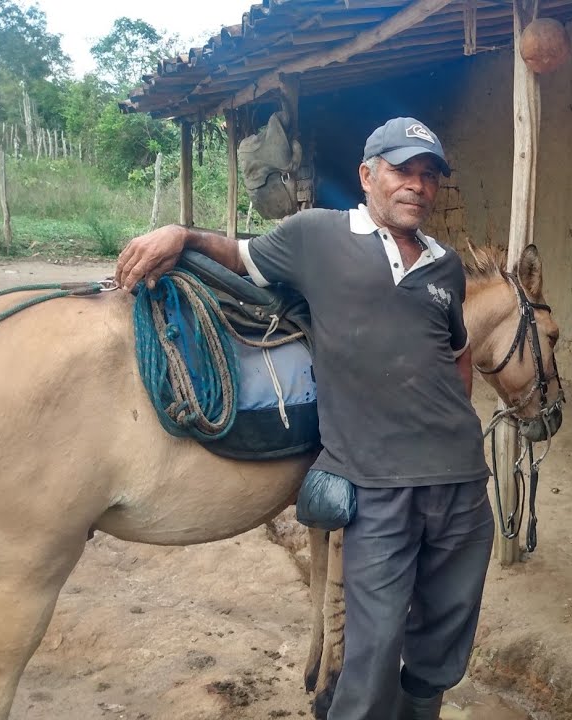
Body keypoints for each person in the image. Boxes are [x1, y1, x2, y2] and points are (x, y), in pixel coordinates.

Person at [115, 117, 493, 720]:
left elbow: (457, 351)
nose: (417, 186)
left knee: (447, 630)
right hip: (378, 484)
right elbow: (238, 256)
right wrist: (178, 233)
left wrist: (456, 426)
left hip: (462, 482)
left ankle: (422, 709)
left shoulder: (444, 266)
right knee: (370, 650)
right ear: (368, 176)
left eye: (428, 175)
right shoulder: (320, 235)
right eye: (402, 171)